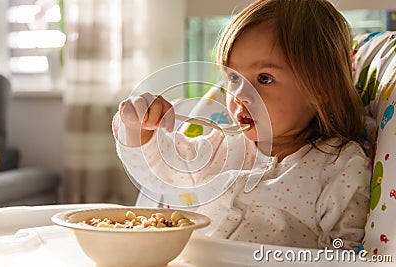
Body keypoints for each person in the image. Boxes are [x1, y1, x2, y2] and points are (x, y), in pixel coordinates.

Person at [113, 0, 371, 250]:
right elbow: (162, 170)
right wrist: (140, 126)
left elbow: (343, 250)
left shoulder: (341, 168)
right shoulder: (221, 147)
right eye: (233, 78)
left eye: (264, 78)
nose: (240, 94)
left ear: (320, 88)